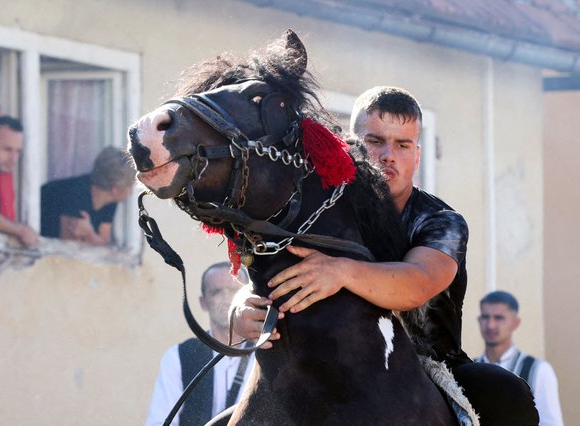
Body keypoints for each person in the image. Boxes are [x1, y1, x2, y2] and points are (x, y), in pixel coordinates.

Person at [231, 86, 539, 425]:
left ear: (417, 156)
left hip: (429, 367)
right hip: (314, 367)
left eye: (403, 145)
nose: (388, 155)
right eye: (375, 141)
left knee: (506, 392)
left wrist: (342, 272)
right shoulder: (318, 210)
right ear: (348, 145)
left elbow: (417, 284)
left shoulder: (441, 221)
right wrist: (242, 306)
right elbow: (270, 263)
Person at [145, 263, 254, 426]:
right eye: (216, 292)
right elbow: (159, 422)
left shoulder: (265, 354)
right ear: (203, 302)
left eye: (234, 290)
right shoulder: (178, 357)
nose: (226, 299)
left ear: (250, 298)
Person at [475, 290, 564, 426]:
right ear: (479, 321)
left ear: (515, 323)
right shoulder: (470, 369)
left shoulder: (538, 370)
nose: (490, 325)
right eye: (486, 317)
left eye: (499, 318)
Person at [40, 146, 134, 246]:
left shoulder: (110, 200)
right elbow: (68, 248)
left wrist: (90, 234)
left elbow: (103, 244)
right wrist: (93, 237)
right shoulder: (74, 194)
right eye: (130, 186)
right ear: (115, 190)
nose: (132, 192)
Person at [0, 116, 39, 247]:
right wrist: (20, 230)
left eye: (18, 151)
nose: (13, 158)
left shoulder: (2, 185)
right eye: (7, 149)